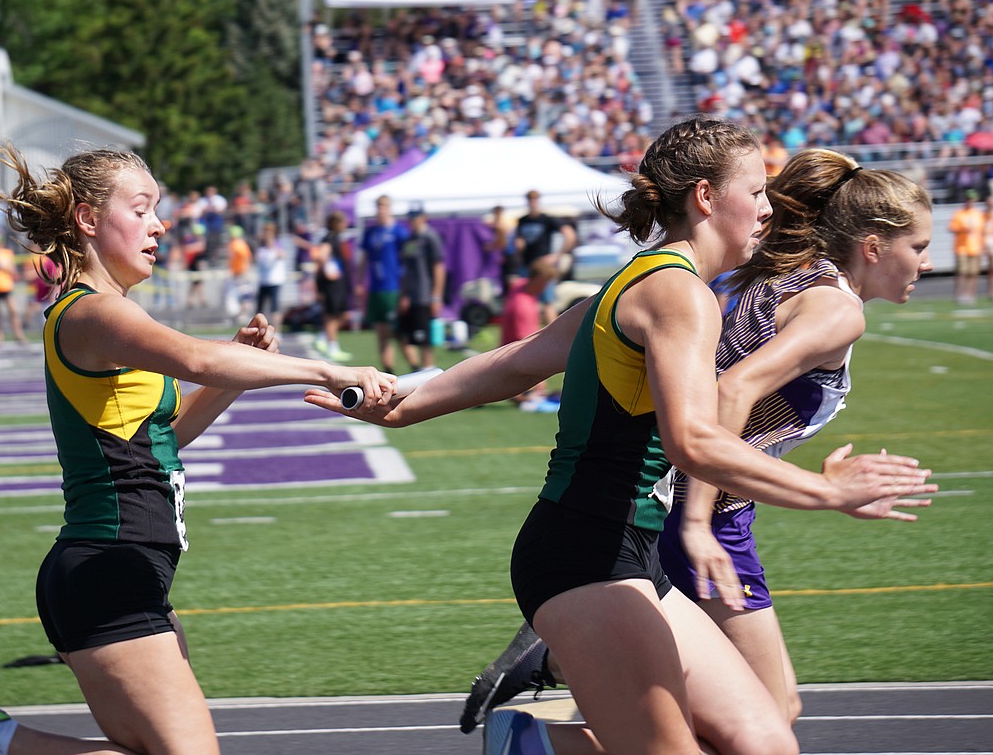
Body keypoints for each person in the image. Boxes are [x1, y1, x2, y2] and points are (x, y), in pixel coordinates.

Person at [305, 117, 936, 755]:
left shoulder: (647, 281)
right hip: (587, 552)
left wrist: (405, 405)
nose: (770, 210)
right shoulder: (678, 294)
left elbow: (518, 362)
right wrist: (824, 490)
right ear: (706, 198)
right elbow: (695, 441)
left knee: (766, 739)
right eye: (757, 191)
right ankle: (531, 744)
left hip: (634, 554)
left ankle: (534, 732)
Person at [0, 143, 395, 755]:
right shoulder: (91, 313)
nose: (161, 224)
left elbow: (165, 438)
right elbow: (197, 357)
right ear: (88, 218)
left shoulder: (110, 316)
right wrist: (328, 372)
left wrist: (244, 366)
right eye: (142, 208)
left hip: (131, 569)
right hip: (106, 569)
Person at [461, 147, 938, 733]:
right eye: (918, 247)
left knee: (719, 719)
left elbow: (728, 391)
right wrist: (720, 517)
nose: (928, 263)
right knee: (766, 719)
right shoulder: (837, 309)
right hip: (705, 509)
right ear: (872, 245)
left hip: (684, 499)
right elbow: (732, 394)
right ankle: (544, 710)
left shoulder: (768, 273)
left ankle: (562, 668)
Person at [356, 195, 408, 372]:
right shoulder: (371, 233)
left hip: (393, 288)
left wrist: (406, 288)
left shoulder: (398, 232)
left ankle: (417, 368)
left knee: (399, 333)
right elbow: (364, 260)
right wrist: (360, 281)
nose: (381, 210)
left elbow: (407, 260)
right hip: (376, 289)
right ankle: (389, 373)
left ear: (390, 208)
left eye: (384, 206)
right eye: (378, 206)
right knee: (381, 333)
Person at [500, 257, 559, 405]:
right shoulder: (523, 307)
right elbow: (527, 345)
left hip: (507, 357)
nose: (546, 287)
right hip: (515, 366)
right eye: (545, 282)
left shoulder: (519, 287)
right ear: (538, 279)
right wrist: (538, 384)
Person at [514, 190, 577, 324]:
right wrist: (519, 248)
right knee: (527, 301)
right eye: (530, 200)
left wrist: (558, 256)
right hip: (528, 266)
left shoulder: (546, 219)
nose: (533, 203)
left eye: (535, 199)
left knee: (548, 301)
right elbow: (519, 241)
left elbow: (569, 234)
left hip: (542, 267)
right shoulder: (522, 220)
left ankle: (554, 332)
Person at [397, 206, 446, 371]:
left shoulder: (430, 237)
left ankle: (428, 370)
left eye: (416, 217)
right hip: (410, 295)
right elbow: (406, 270)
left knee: (424, 339)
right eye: (411, 218)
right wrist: (404, 294)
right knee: (403, 335)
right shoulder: (410, 240)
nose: (413, 221)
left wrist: (436, 295)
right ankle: (417, 369)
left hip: (424, 295)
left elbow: (438, 267)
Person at [312, 210, 354, 362]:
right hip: (332, 285)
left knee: (343, 315)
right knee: (332, 316)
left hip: (338, 284)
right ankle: (332, 346)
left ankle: (323, 337)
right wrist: (329, 271)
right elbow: (321, 256)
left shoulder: (335, 238)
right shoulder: (329, 238)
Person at [0, 233, 28, 345]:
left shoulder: (7, 254)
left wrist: (2, 267)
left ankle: (18, 333)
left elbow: (13, 270)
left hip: (6, 285)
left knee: (13, 311)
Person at [948, 189, 985, 304]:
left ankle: (970, 295)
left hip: (975, 247)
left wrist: (983, 246)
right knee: (962, 272)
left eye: (972, 199)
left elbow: (982, 232)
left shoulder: (978, 214)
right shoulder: (959, 213)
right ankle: (959, 294)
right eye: (968, 199)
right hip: (962, 247)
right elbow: (952, 228)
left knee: (973, 273)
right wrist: (963, 229)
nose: (970, 201)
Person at [254, 220, 288, 318]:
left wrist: (272, 244)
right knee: (259, 310)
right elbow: (257, 259)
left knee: (275, 308)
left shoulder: (277, 245)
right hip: (263, 281)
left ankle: (277, 331)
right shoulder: (261, 247)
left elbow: (282, 255)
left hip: (274, 281)